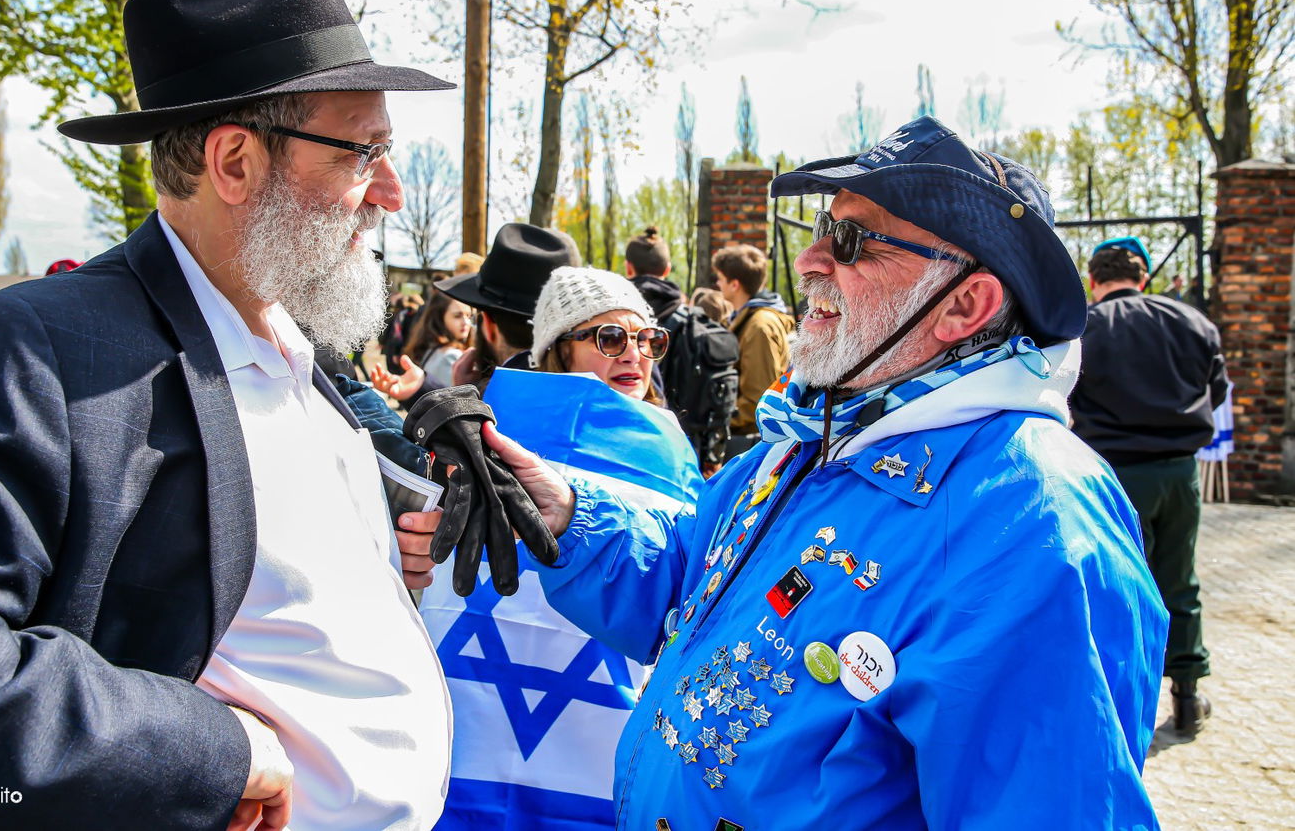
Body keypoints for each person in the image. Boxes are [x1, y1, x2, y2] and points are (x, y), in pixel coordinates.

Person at [0, 0, 455, 831]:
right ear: (235, 163)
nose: (388, 190)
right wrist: (210, 751)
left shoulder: (294, 336)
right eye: (362, 151)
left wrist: (378, 549)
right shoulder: (45, 348)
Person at [487, 116, 1168, 828]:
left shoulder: (1034, 523)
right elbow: (687, 572)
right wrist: (567, 510)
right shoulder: (814, 438)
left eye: (851, 240)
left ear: (965, 304)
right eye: (820, 228)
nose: (810, 261)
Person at [423, 266, 701, 830]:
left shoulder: (672, 453)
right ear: (556, 351)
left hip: (589, 696)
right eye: (610, 337)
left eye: (648, 339)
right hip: (485, 699)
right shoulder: (483, 440)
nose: (635, 354)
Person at [1071, 235, 1229, 737]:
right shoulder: (1192, 322)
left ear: (1093, 282)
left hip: (1112, 473)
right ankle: (1186, 694)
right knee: (1179, 578)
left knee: (1115, 583)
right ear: (1144, 279)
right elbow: (1217, 387)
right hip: (1179, 471)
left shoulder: (1084, 329)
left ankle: (1116, 702)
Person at [627, 227, 739, 473]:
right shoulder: (693, 323)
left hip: (622, 451)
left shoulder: (606, 328)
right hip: (686, 456)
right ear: (667, 269)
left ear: (628, 268)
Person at [712, 243, 794, 450]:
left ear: (734, 284)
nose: (717, 284)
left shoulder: (759, 326)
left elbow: (759, 397)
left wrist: (717, 423)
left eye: (720, 278)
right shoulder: (748, 319)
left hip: (750, 441)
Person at [401, 289, 473, 387]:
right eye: (457, 316)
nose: (466, 322)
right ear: (439, 318)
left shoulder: (430, 349)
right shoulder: (451, 356)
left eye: (469, 316)